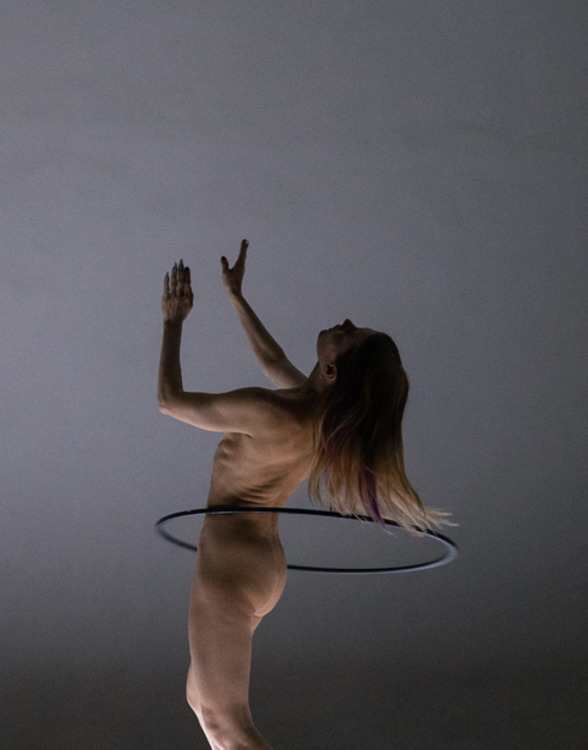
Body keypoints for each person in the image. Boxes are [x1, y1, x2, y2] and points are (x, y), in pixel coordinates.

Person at [157, 240, 447, 750]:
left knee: (227, 723)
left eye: (350, 335)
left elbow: (169, 401)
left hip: (230, 565)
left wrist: (173, 320)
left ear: (332, 369)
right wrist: (235, 296)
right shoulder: (320, 419)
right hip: (264, 569)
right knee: (199, 701)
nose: (346, 322)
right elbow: (273, 360)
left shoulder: (272, 413)